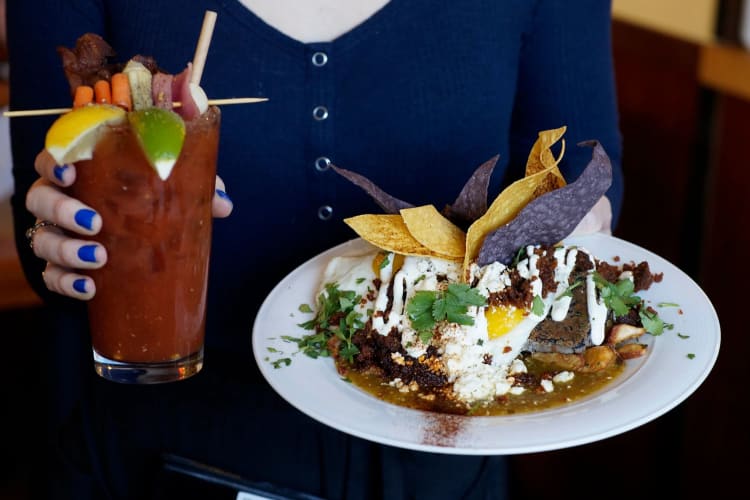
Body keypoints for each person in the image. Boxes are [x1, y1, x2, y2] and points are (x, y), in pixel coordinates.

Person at [7, 1, 622, 498]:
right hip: (156, 450)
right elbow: (45, 236)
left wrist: (571, 229)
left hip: (443, 458)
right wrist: (61, 239)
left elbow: (589, 172)